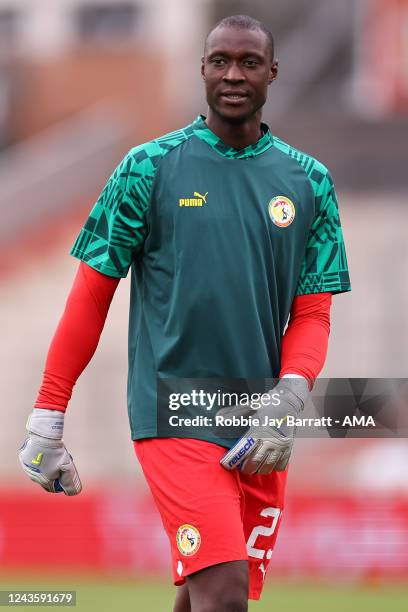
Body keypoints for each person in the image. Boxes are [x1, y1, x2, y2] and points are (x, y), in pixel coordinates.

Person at [18, 14, 351, 612]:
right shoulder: (147, 168)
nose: (232, 74)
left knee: (206, 595)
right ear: (201, 68)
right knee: (223, 594)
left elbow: (313, 313)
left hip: (258, 415)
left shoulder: (311, 182)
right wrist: (48, 412)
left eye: (249, 62)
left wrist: (292, 394)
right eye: (219, 60)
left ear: (272, 73)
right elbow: (91, 296)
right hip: (172, 408)